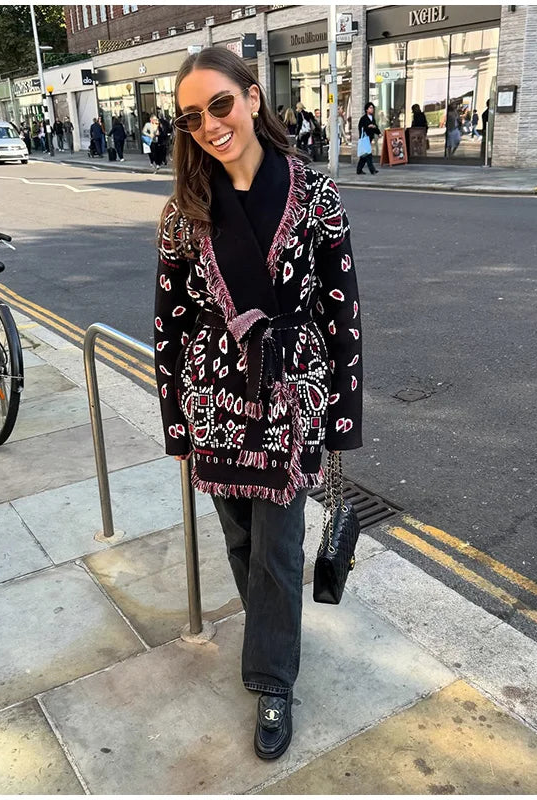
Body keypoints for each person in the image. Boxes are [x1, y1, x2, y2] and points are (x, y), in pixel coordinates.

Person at [154, 46, 362, 761]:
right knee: (242, 539)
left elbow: (343, 311)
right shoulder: (185, 213)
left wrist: (342, 415)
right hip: (212, 399)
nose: (210, 125)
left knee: (278, 547)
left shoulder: (316, 194)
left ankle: (273, 679)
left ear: (251, 98)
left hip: (289, 395)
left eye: (220, 105)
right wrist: (175, 419)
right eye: (192, 117)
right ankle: (272, 633)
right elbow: (170, 323)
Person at [356, 101, 380, 175]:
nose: (372, 109)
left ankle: (359, 170)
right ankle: (372, 170)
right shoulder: (363, 118)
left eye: (372, 108)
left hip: (369, 138)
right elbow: (361, 128)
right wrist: (368, 127)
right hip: (364, 138)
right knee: (368, 154)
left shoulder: (372, 118)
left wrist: (378, 133)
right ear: (366, 109)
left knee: (364, 155)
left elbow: (375, 126)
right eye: (370, 108)